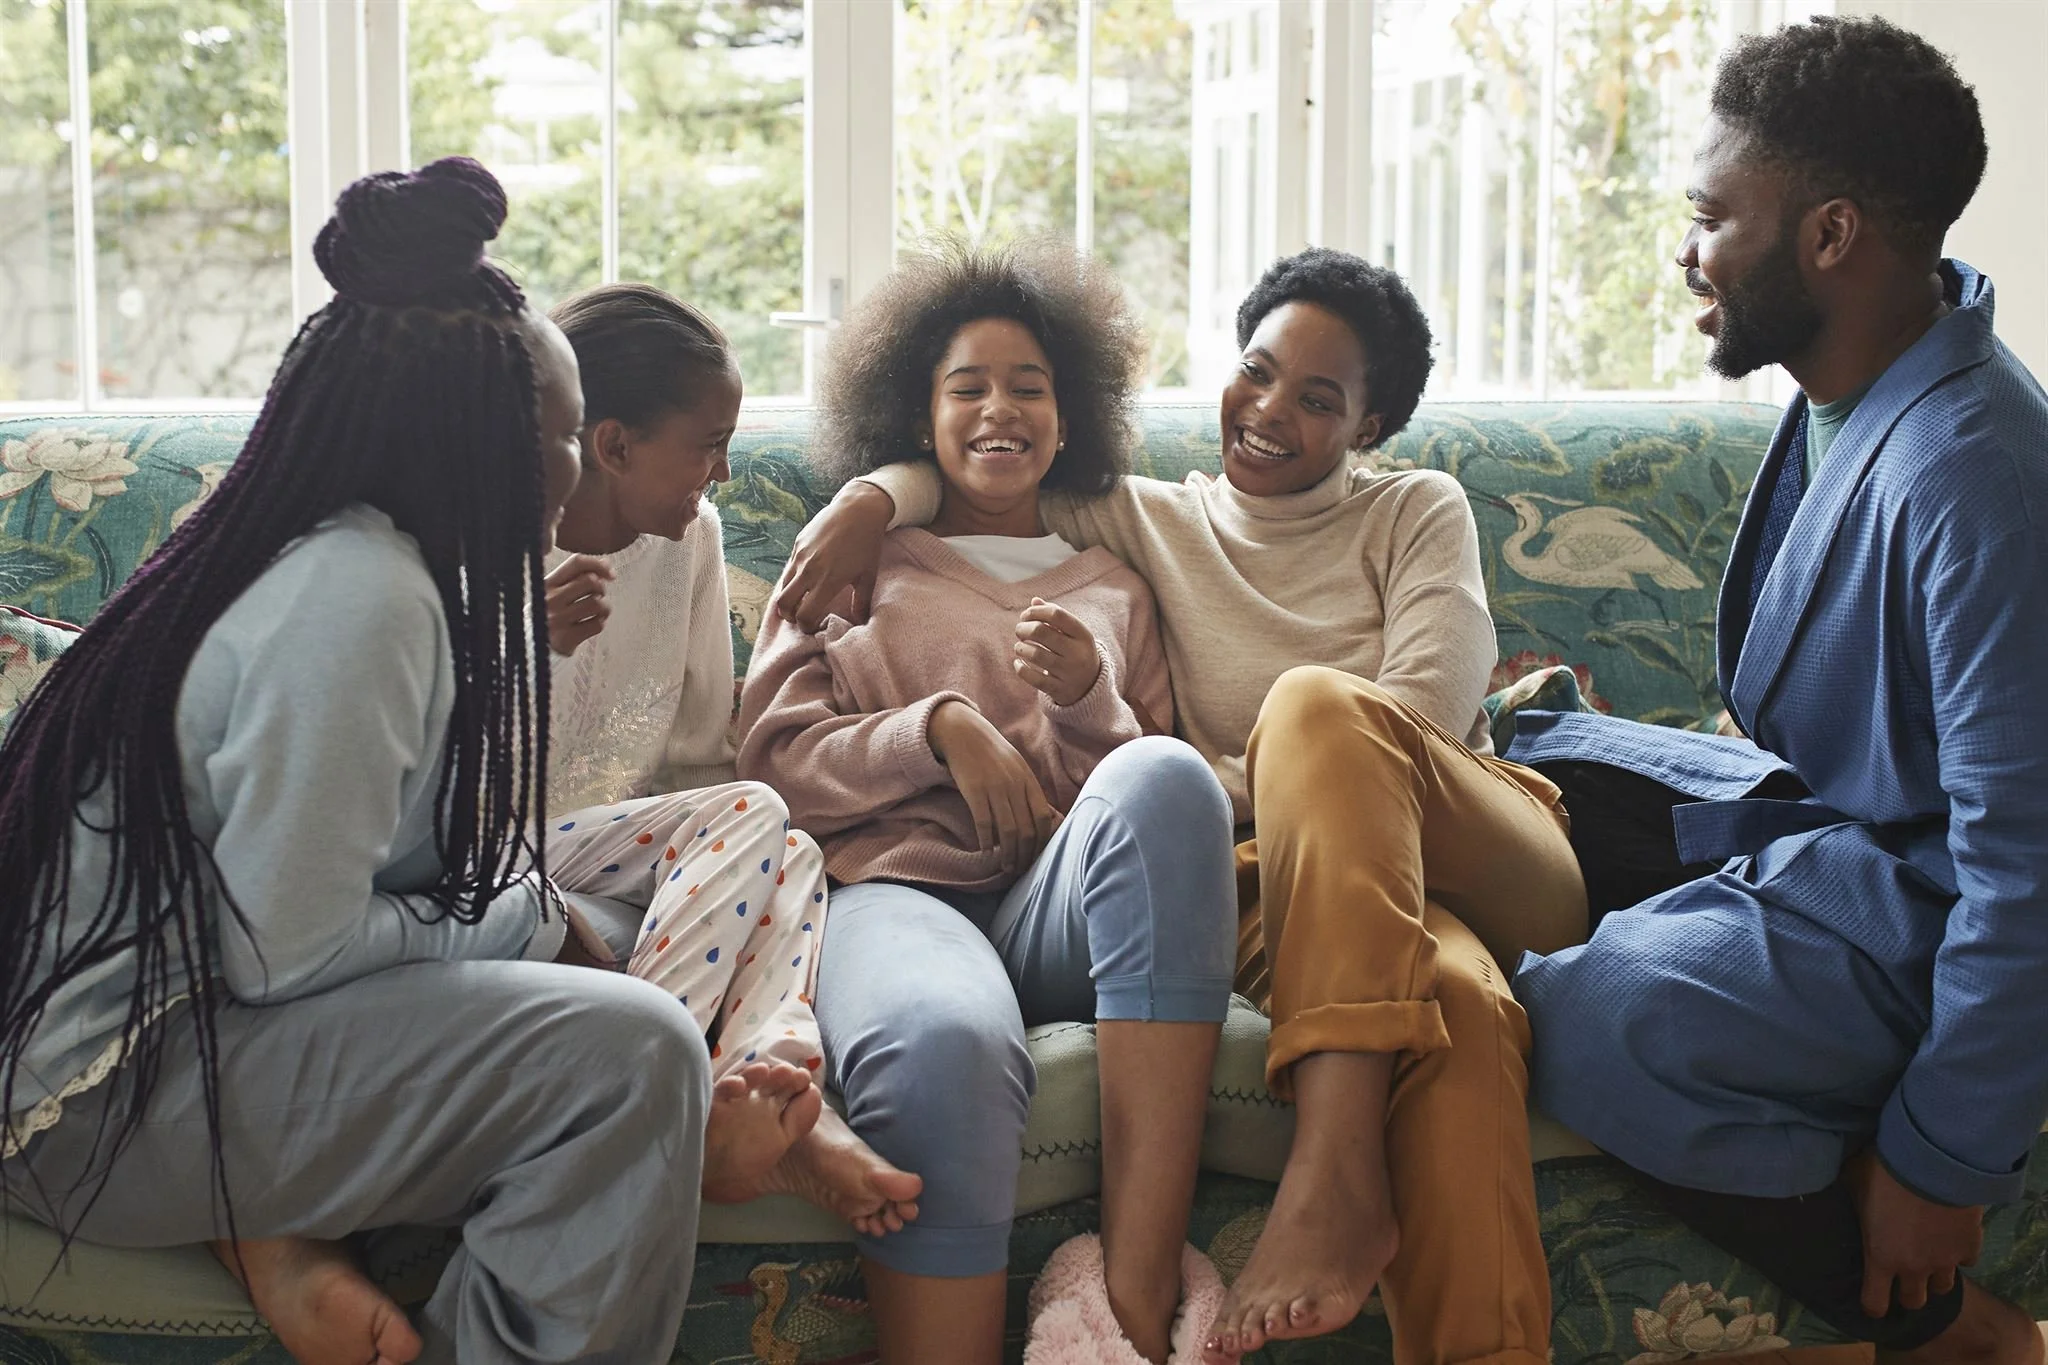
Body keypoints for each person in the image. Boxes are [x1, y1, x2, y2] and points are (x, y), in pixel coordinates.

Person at [778, 245, 1585, 1365]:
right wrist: (869, 499)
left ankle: (1333, 1174)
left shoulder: (1415, 510)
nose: (1267, 412)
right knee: (1449, 1005)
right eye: (1255, 371)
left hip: (1475, 842)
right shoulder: (1144, 520)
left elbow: (1422, 720)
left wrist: (1200, 781)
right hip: (1291, 893)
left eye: (1317, 399)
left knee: (1318, 714)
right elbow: (983, 456)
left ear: (1372, 424)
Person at [0, 159, 719, 1365]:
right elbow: (288, 952)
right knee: (634, 1054)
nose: (573, 470)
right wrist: (513, 921)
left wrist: (527, 912)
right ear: (471, 440)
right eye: (557, 434)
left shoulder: (373, 570)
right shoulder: (358, 596)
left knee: (602, 919)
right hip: (96, 1100)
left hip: (199, 1022)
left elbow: (390, 864)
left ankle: (296, 1242)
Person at [1503, 16, 2048, 1363]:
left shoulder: (1974, 474)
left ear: (1830, 235)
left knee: (1600, 1012)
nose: (1686, 250)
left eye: (1708, 215)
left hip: (1935, 913)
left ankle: (1947, 1331)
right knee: (1537, 763)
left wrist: (1941, 1159)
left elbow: (2029, 863)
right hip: (1848, 837)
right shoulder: (1858, 384)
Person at [738, 242, 1240, 1365]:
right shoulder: (851, 561)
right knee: (942, 1040)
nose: (999, 409)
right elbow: (771, 763)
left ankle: (1131, 1305)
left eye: (1029, 387)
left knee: (1165, 775)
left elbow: (1155, 824)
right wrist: (938, 730)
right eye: (966, 386)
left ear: (1072, 416)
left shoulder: (1111, 585)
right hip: (893, 895)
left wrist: (1084, 701)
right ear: (917, 411)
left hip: (1060, 911)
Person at [536, 281, 922, 1228]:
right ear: (614, 444)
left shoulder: (689, 539)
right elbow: (423, 763)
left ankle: (766, 1083)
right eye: (707, 444)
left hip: (626, 853)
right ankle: (658, 1093)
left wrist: (735, 848)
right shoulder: (488, 547)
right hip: (502, 849)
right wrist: (518, 646)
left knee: (786, 844)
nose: (722, 470)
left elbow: (705, 753)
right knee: (754, 814)